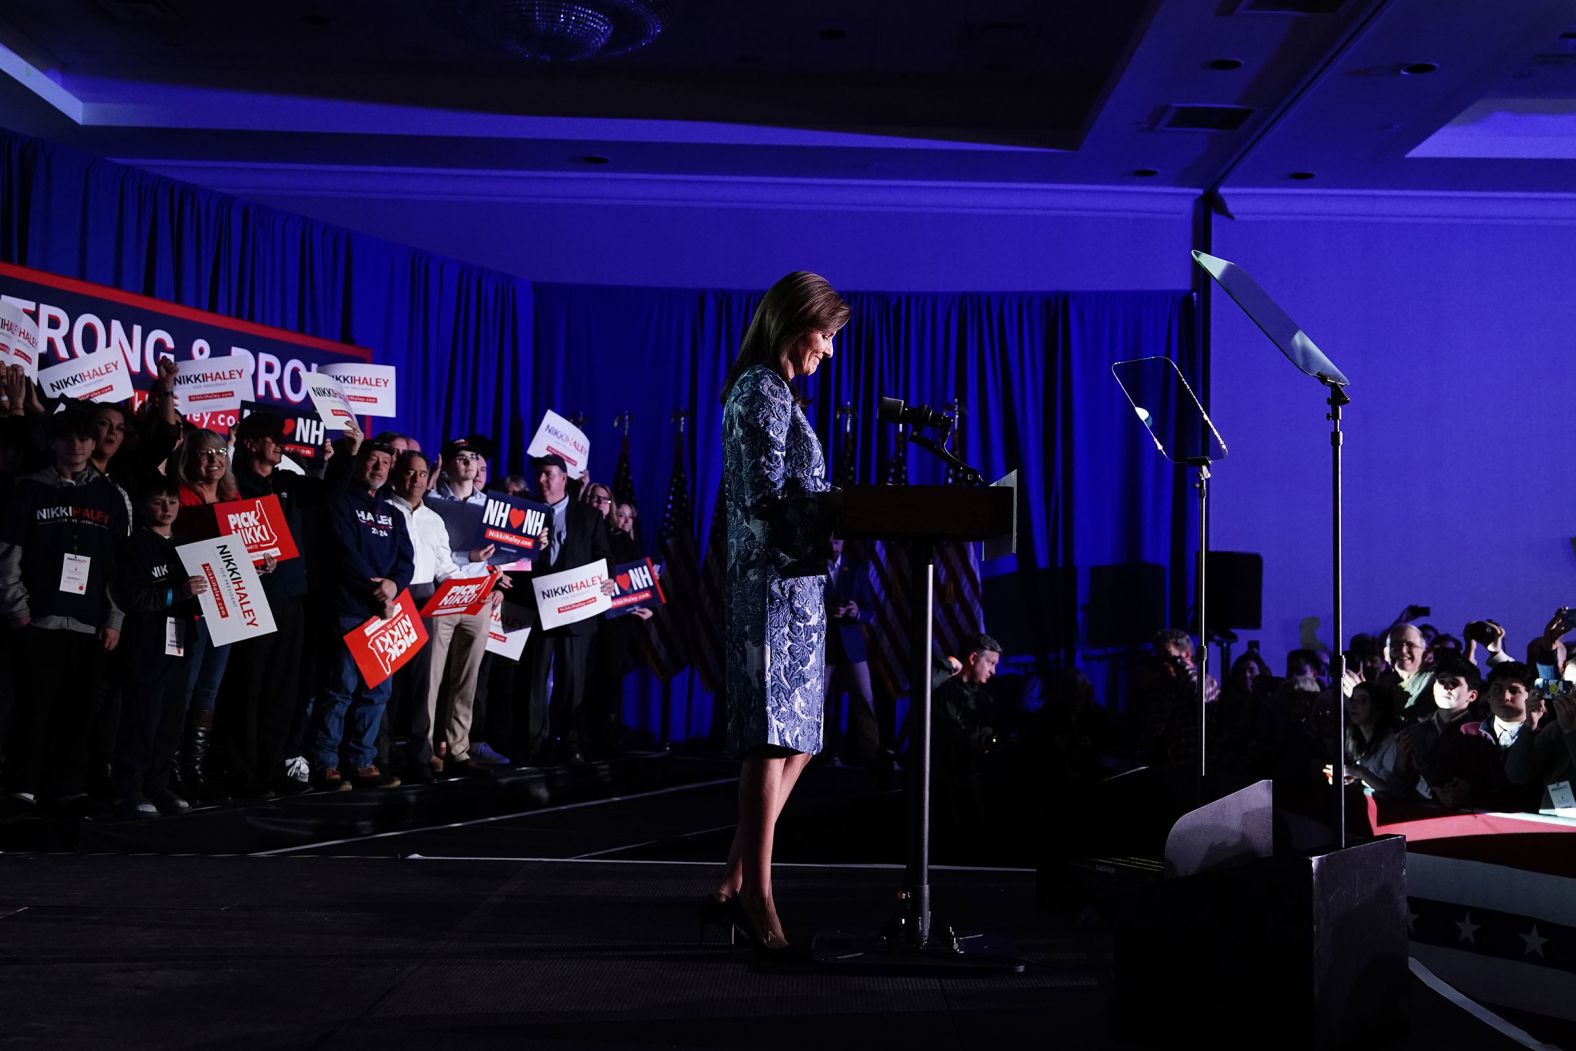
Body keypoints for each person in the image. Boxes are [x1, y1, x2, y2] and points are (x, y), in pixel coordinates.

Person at [706, 271, 848, 955]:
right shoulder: (759, 389)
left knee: (802, 737)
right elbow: (765, 497)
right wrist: (837, 509)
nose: (829, 350)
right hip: (770, 591)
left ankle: (733, 878)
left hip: (797, 593)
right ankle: (758, 896)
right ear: (796, 324)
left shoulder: (782, 393)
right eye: (825, 335)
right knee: (770, 740)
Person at [0, 407, 130, 811]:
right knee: (33, 708)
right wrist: (19, 612)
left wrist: (113, 619)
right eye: (68, 439)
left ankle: (68, 788)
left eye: (84, 440)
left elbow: (118, 567)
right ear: (54, 442)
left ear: (93, 444)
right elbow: (8, 558)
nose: (76, 447)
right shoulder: (27, 490)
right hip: (39, 619)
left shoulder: (109, 495)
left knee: (79, 713)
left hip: (91, 624)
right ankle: (22, 786)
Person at [310, 440, 413, 790]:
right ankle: (326, 763)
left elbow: (406, 561)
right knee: (339, 690)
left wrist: (394, 586)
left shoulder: (394, 513)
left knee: (377, 694)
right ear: (359, 464)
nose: (379, 468)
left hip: (383, 616)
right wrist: (377, 589)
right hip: (349, 609)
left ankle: (362, 761)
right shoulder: (341, 502)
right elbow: (342, 551)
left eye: (385, 462)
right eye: (373, 460)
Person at [110, 479, 207, 817]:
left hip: (181, 642)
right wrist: (178, 593)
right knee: (143, 718)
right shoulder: (134, 546)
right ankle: (128, 789)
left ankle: (158, 784)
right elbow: (134, 597)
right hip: (145, 643)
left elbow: (212, 594)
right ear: (143, 506)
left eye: (172, 502)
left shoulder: (188, 547)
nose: (167, 509)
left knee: (171, 719)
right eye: (158, 502)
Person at [519, 452, 615, 763]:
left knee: (574, 681)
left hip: (577, 612)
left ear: (564, 478)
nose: (543, 480)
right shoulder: (525, 513)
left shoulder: (589, 516)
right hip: (538, 611)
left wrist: (609, 578)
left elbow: (604, 557)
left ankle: (571, 742)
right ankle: (533, 745)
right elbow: (512, 560)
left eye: (549, 474)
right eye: (539, 475)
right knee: (535, 680)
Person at [823, 536, 880, 766]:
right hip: (823, 645)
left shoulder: (856, 568)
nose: (832, 545)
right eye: (828, 541)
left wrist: (856, 612)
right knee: (819, 705)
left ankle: (873, 755)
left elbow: (869, 610)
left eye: (836, 541)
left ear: (844, 542)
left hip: (852, 645)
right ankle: (821, 754)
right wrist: (828, 610)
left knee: (865, 700)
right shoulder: (813, 568)